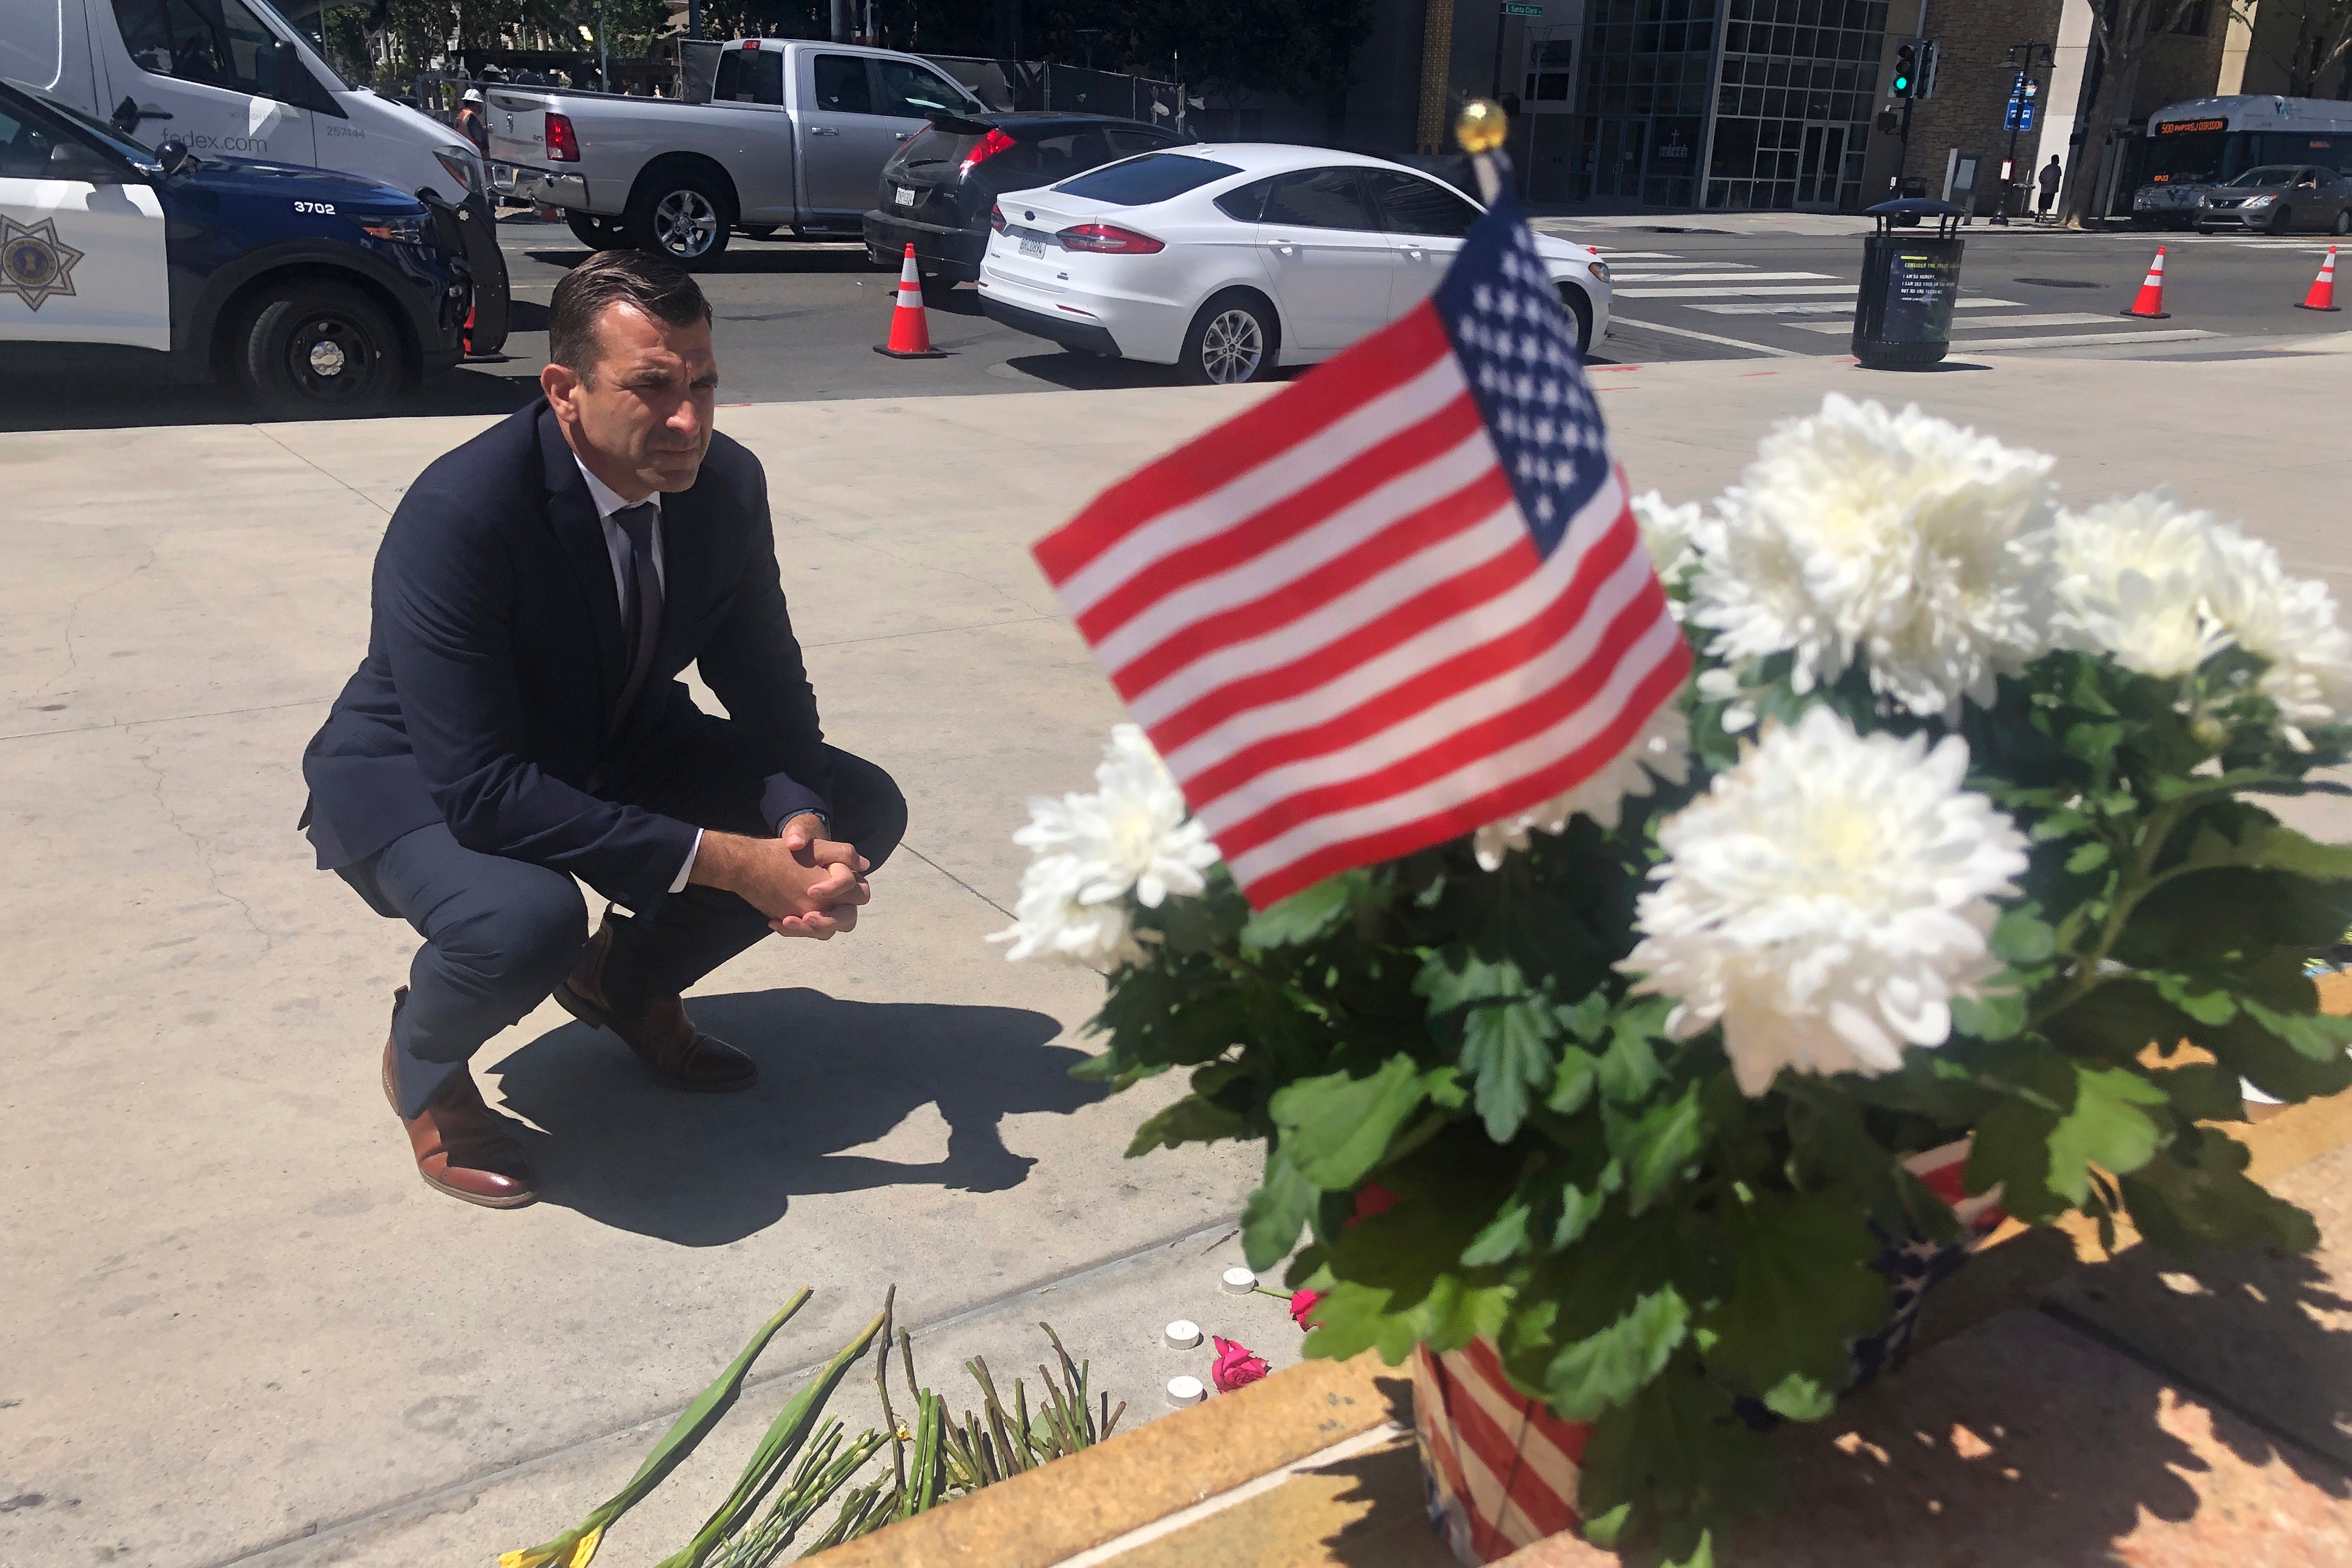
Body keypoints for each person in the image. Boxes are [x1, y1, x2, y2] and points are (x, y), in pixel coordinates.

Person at [299, 250, 903, 1210]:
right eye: (652, 387)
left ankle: (623, 984)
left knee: (856, 801)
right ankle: (422, 1057)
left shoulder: (726, 486)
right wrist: (731, 862)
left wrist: (793, 821)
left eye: (703, 383)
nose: (689, 420)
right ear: (564, 391)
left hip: (606, 727)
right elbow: (485, 789)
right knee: (523, 921)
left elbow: (766, 681)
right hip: (421, 769)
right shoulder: (463, 511)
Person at [455, 87, 488, 155]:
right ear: (476, 103)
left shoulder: (461, 115)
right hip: (475, 152)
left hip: (463, 150)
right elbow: (480, 139)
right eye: (479, 104)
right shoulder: (471, 118)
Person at [2037, 155, 2063, 220]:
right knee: (2047, 203)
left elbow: (2040, 176)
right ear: (2057, 160)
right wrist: (2049, 184)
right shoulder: (2057, 168)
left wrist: (2043, 183)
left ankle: (2038, 216)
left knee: (2042, 203)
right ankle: (2044, 217)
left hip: (2043, 189)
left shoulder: (2046, 168)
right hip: (2051, 189)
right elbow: (2056, 177)